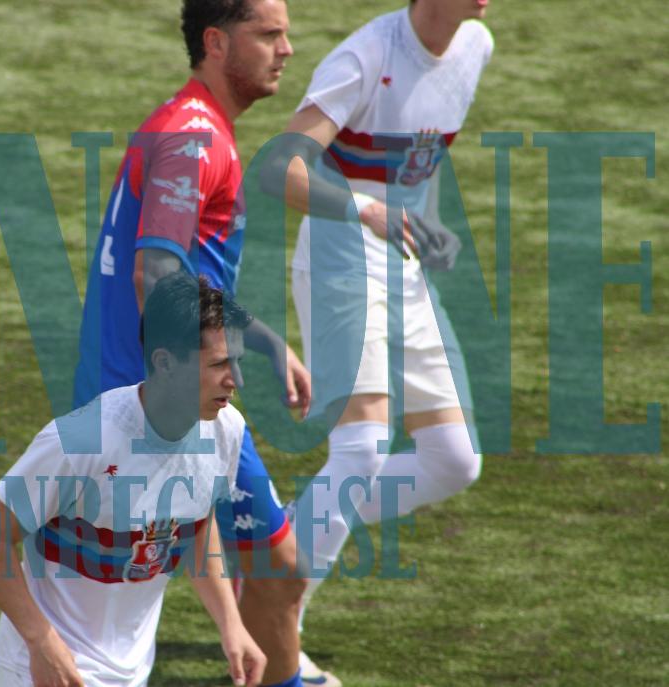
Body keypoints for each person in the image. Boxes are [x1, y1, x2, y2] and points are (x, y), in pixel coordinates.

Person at [72, 2, 322, 685]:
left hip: (146, 397)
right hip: (151, 408)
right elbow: (155, 273)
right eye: (268, 34)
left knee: (276, 569)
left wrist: (263, 340)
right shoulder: (193, 139)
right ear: (216, 42)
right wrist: (181, 406)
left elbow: (187, 273)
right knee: (108, 621)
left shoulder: (190, 125)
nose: (286, 49)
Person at [266, 0, 494, 679]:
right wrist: (365, 208)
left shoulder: (475, 45)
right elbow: (280, 169)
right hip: (339, 258)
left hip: (403, 267)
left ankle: (283, 538)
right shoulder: (366, 56)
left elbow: (416, 162)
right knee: (360, 450)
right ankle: (276, 626)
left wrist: (424, 224)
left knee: (453, 459)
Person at [0, 273, 265, 687]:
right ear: (165, 362)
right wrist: (41, 642)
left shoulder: (225, 430)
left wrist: (230, 623)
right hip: (48, 668)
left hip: (131, 670)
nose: (236, 380)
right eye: (219, 364)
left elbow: (198, 523)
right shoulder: (85, 441)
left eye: (237, 362)